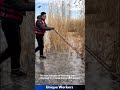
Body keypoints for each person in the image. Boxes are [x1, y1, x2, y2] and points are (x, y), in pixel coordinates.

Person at [0, 0, 34, 77]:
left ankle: (15, 70)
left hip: (11, 22)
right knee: (14, 47)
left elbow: (25, 3)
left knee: (13, 48)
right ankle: (15, 71)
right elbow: (20, 5)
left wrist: (39, 4)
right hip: (9, 22)